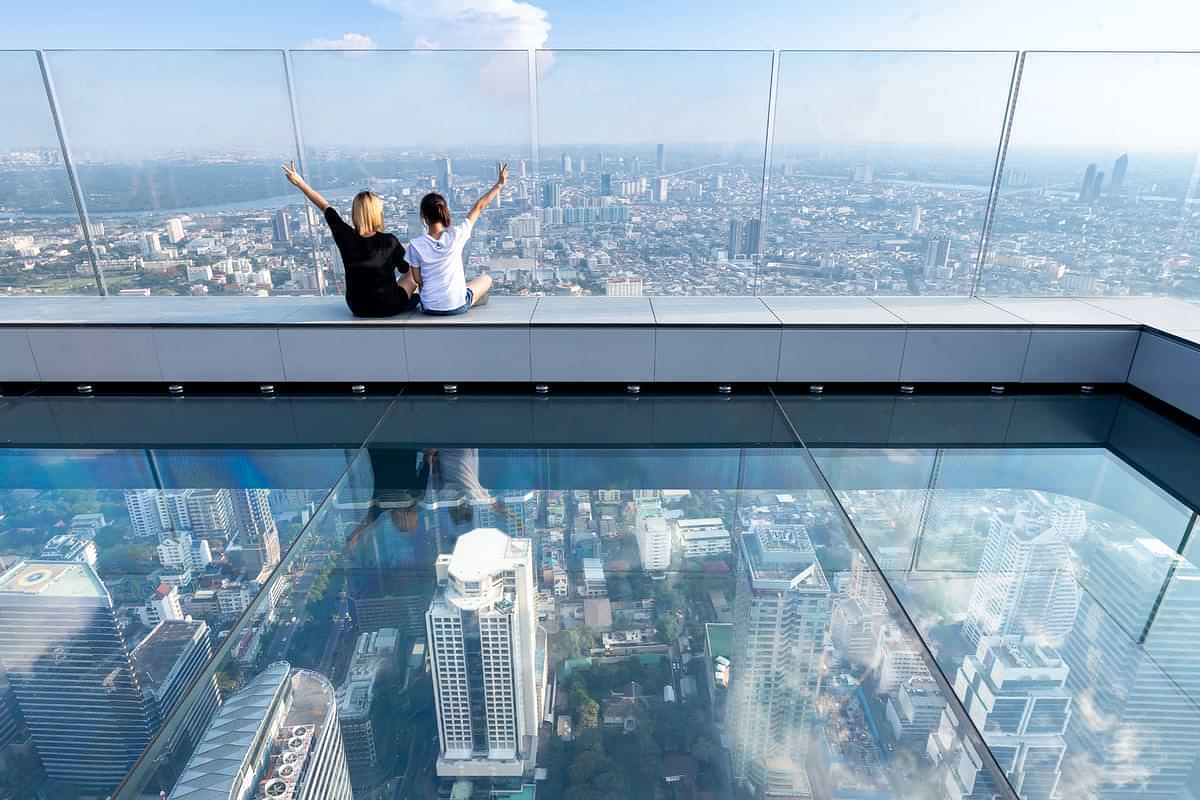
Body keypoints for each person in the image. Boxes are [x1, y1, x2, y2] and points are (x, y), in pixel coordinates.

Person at [282, 160, 419, 318]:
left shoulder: (344, 235)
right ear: (377, 213)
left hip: (357, 306)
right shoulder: (389, 241)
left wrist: (300, 183)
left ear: (355, 212)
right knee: (411, 275)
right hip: (387, 304)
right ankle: (412, 301)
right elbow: (405, 270)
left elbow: (324, 206)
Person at [407, 162, 507, 315]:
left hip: (429, 307)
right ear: (444, 212)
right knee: (486, 279)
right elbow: (479, 207)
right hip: (456, 306)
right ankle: (471, 298)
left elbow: (418, 280)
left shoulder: (415, 245)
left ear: (424, 217)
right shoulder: (456, 235)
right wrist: (499, 184)